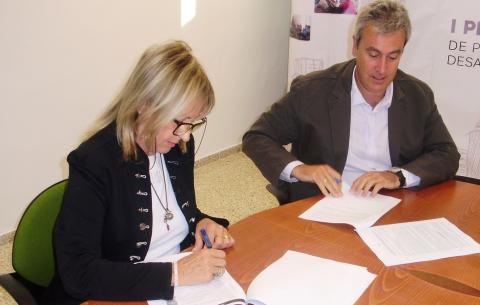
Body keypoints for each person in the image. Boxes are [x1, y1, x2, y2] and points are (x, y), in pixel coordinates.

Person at [42, 40, 235, 305]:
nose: (186, 135)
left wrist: (200, 222)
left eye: (193, 123)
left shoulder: (177, 145)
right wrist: (176, 273)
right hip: (115, 296)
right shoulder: (94, 162)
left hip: (181, 290)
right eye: (180, 122)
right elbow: (78, 274)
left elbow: (172, 212)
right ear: (144, 104)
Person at [243, 0, 460, 203]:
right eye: (373, 54)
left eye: (393, 57)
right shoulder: (312, 91)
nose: (382, 69)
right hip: (325, 204)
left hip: (392, 205)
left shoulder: (418, 96)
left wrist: (398, 177)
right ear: (355, 45)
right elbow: (257, 137)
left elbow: (447, 154)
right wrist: (300, 169)